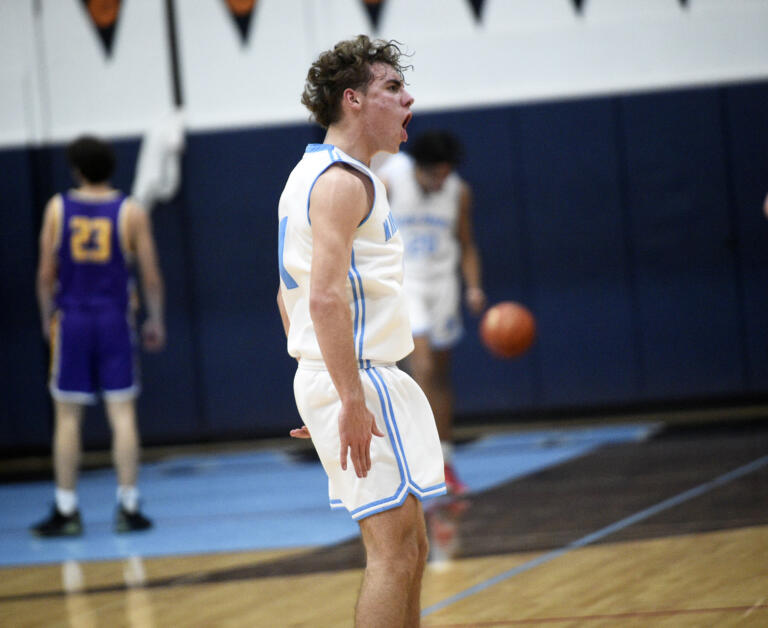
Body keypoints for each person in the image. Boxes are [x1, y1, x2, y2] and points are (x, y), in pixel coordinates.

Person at [276, 35, 446, 626]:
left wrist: (318, 375)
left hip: (348, 374)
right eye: (392, 88)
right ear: (352, 100)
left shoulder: (308, 174)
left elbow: (287, 295)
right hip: (362, 379)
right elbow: (320, 298)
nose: (408, 99)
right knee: (394, 553)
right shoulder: (344, 181)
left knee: (410, 547)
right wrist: (346, 394)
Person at [31, 135, 165, 537]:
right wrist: (155, 318)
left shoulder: (57, 208)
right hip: (113, 320)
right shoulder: (130, 212)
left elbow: (44, 275)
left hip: (71, 320)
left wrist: (45, 319)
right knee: (122, 413)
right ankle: (128, 505)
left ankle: (67, 508)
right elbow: (151, 275)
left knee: (68, 417)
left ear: (76, 169)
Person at [377, 131, 486, 495]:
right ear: (419, 168)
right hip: (405, 283)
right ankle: (417, 460)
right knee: (420, 364)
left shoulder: (459, 191)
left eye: (447, 173)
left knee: (439, 375)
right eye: (436, 174)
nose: (443, 180)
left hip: (443, 284)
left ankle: (445, 460)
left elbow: (467, 245)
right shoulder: (390, 179)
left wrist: (473, 286)